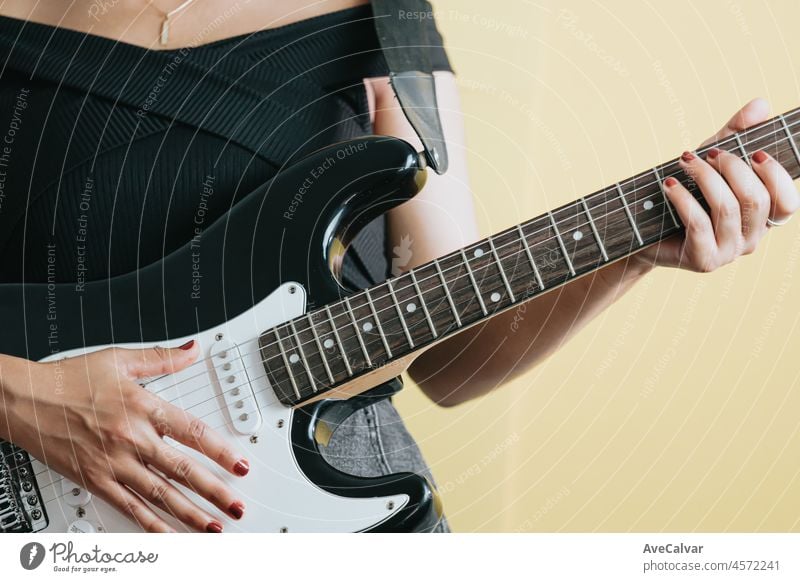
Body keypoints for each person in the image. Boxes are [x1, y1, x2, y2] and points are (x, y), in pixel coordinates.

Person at [0, 0, 796, 533]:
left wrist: (635, 252)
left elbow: (452, 361)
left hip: (324, 517)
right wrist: (23, 396)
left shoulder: (385, 25)